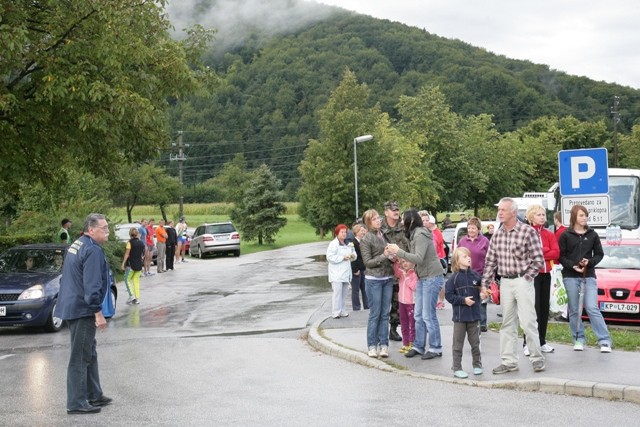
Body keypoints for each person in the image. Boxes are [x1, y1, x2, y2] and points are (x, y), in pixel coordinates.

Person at [55, 213, 113, 414]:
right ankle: (76, 402)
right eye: (103, 228)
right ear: (91, 230)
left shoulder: (79, 243)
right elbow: (92, 285)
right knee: (80, 356)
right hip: (82, 309)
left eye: (107, 227)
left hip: (73, 306)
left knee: (89, 351)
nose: (107, 231)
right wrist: (98, 312)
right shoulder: (92, 250)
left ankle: (93, 394)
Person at [482, 197, 546, 374]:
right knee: (507, 323)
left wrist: (527, 278)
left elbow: (538, 259)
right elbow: (490, 262)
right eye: (499, 210)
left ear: (514, 212)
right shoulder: (498, 234)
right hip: (505, 282)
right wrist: (484, 284)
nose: (500, 213)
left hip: (522, 280)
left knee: (528, 321)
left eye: (503, 210)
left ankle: (537, 358)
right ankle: (509, 361)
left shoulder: (527, 232)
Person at [387, 208, 445, 360]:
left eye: (402, 218)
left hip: (432, 277)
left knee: (428, 315)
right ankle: (419, 346)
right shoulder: (414, 234)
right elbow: (415, 260)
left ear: (410, 220)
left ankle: (435, 347)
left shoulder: (420, 234)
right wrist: (398, 258)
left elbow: (418, 258)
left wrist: (399, 251)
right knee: (418, 315)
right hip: (423, 277)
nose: (400, 221)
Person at [558, 204, 612, 353]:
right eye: (581, 215)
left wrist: (589, 262)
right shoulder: (565, 235)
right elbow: (560, 256)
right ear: (574, 217)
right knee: (574, 310)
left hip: (588, 276)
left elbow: (599, 254)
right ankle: (578, 339)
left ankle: (604, 340)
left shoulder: (592, 234)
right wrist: (572, 266)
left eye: (586, 215)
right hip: (570, 276)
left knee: (592, 307)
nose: (584, 218)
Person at [522, 204, 559, 356]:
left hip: (546, 274)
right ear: (531, 217)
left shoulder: (549, 234)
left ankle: (542, 341)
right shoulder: (526, 233)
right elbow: (526, 254)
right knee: (532, 309)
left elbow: (556, 253)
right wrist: (544, 251)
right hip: (532, 275)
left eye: (543, 214)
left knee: (544, 309)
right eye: (539, 214)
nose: (542, 217)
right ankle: (527, 342)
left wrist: (541, 252)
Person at [444, 247, 484, 378]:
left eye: (469, 256)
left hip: (474, 316)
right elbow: (449, 296)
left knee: (475, 343)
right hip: (460, 318)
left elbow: (482, 290)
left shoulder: (476, 276)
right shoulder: (453, 279)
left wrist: (484, 294)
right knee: (458, 344)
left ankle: (477, 365)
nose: (468, 258)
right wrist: (463, 300)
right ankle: (457, 367)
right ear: (457, 261)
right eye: (464, 256)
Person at [360, 209, 395, 358]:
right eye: (374, 219)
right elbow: (368, 263)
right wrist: (384, 255)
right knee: (375, 314)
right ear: (368, 222)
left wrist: (393, 257)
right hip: (374, 280)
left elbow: (389, 254)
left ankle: (384, 345)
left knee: (385, 314)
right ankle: (372, 346)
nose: (378, 221)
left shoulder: (384, 235)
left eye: (378, 218)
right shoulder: (366, 239)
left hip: (387, 278)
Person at [381, 200, 409, 342]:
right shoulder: (379, 228)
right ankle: (381, 331)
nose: (396, 212)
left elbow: (409, 247)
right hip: (384, 271)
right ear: (386, 212)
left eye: (397, 209)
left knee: (398, 302)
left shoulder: (403, 228)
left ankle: (393, 329)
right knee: (383, 303)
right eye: (393, 210)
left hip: (401, 271)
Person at [457, 217, 490, 332]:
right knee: (468, 297)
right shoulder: (462, 241)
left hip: (480, 273)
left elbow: (489, 258)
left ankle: (482, 323)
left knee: (481, 298)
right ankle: (469, 321)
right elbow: (458, 255)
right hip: (466, 274)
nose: (470, 230)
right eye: (469, 228)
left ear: (479, 229)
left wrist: (489, 273)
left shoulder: (484, 241)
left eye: (473, 228)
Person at [326, 224, 355, 319]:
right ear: (337, 233)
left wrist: (352, 256)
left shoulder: (348, 244)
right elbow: (329, 257)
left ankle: (342, 310)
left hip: (346, 273)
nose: (344, 234)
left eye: (345, 232)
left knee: (344, 293)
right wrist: (342, 258)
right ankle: (335, 312)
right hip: (336, 273)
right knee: (337, 293)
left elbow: (354, 254)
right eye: (342, 232)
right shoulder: (333, 244)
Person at [421, 212, 447, 309]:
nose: (426, 223)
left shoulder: (436, 233)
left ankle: (440, 301)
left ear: (431, 223)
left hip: (439, 258)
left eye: (427, 221)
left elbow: (437, 247)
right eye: (424, 221)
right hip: (436, 259)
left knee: (439, 281)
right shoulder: (429, 232)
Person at [393, 258, 417, 354]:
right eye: (403, 262)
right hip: (402, 302)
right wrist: (396, 262)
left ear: (413, 263)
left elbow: (414, 286)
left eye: (407, 261)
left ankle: (412, 343)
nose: (405, 264)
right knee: (403, 323)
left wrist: (407, 278)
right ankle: (405, 343)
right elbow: (395, 270)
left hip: (411, 303)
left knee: (412, 324)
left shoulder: (414, 274)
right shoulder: (401, 273)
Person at [121, 227, 145, 305]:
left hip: (131, 265)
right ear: (137, 234)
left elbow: (127, 254)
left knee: (127, 279)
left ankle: (132, 296)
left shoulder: (130, 243)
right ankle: (137, 298)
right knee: (136, 281)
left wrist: (123, 263)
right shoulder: (141, 243)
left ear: (130, 234)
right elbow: (142, 255)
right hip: (139, 265)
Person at [350, 223, 368, 311]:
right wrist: (355, 270)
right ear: (356, 232)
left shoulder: (363, 242)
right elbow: (352, 258)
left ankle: (367, 306)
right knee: (356, 290)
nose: (363, 232)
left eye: (363, 231)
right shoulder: (352, 243)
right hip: (356, 270)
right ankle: (356, 308)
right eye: (361, 231)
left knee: (365, 289)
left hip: (364, 269)